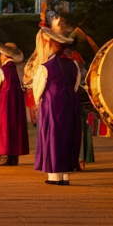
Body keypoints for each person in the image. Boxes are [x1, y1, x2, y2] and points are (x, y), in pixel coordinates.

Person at [33, 27, 83, 185]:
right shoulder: (73, 64)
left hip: (52, 104)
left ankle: (54, 175)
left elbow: (38, 90)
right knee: (68, 136)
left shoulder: (45, 67)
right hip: (70, 103)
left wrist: (37, 104)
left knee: (53, 137)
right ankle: (65, 175)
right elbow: (76, 85)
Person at [0, 43, 29, 166]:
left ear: (4, 56)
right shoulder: (16, 70)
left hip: (4, 103)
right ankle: (13, 157)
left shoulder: (0, 70)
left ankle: (4, 156)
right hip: (16, 104)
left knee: (3, 128)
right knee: (14, 128)